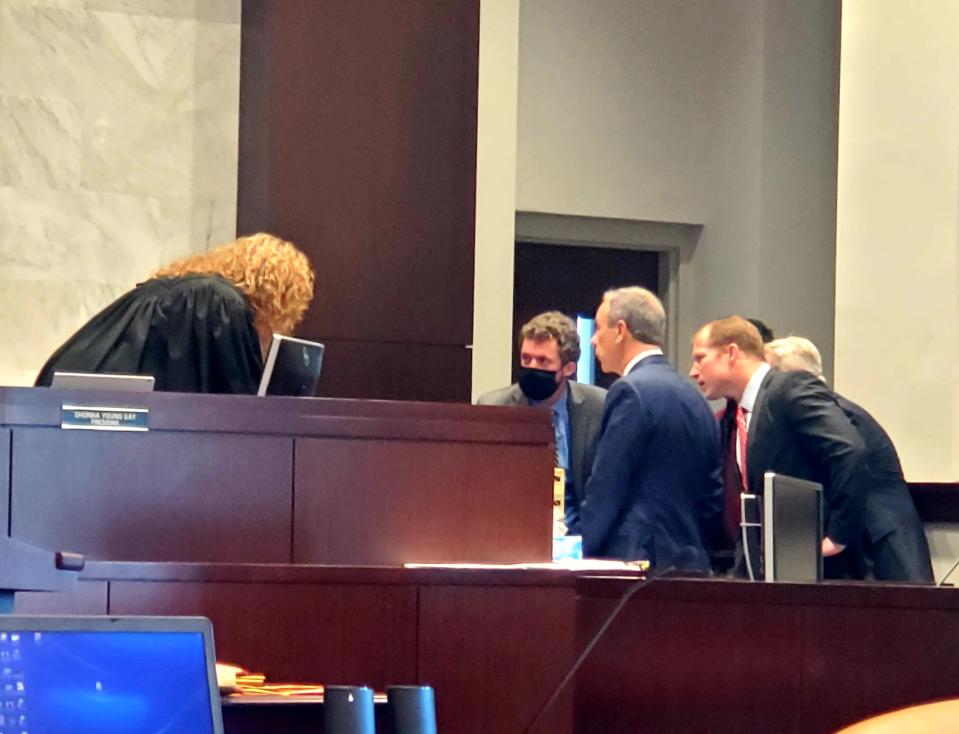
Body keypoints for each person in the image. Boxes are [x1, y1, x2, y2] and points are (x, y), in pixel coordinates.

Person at [689, 316, 867, 579]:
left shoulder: (790, 387)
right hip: (769, 568)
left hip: (817, 571)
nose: (693, 371)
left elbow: (849, 450)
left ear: (731, 353)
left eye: (700, 358)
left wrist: (838, 537)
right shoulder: (736, 415)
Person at [36, 233, 315, 394]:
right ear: (277, 296)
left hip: (61, 392)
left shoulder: (178, 291)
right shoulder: (220, 303)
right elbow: (241, 408)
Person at [765, 336, 933, 583]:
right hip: (872, 539)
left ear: (792, 376)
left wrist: (837, 537)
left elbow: (851, 457)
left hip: (880, 541)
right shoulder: (834, 408)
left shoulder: (829, 413)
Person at [579, 287, 723, 570]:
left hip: (635, 563)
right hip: (690, 562)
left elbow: (607, 486)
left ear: (620, 330)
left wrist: (580, 552)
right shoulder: (695, 397)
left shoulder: (629, 391)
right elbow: (713, 495)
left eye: (598, 328)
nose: (593, 340)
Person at [477, 311, 606, 534]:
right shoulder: (494, 406)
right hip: (515, 533)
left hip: (580, 539)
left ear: (568, 369)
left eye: (543, 361)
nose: (532, 367)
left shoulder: (599, 406)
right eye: (526, 359)